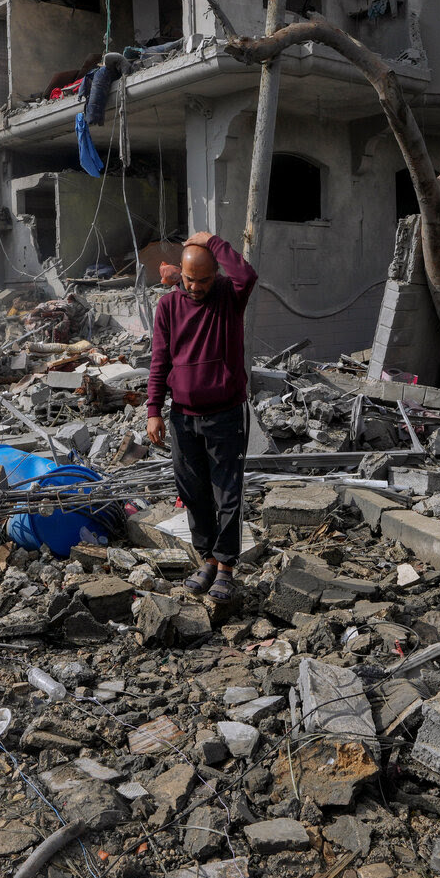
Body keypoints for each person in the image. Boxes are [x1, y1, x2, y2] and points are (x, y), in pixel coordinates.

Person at [146, 231, 256, 603]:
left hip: (225, 413)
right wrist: (153, 410)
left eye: (204, 280)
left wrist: (215, 241)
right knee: (193, 492)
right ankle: (206, 559)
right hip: (183, 417)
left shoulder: (229, 296)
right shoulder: (168, 307)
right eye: (190, 279)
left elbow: (247, 275)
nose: (196, 287)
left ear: (215, 275)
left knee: (226, 493)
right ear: (181, 274)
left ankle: (226, 567)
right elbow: (160, 360)